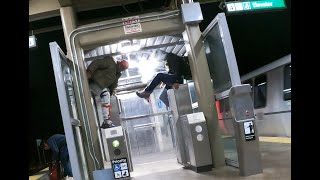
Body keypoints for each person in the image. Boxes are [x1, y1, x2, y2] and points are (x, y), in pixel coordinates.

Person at [86, 56, 129, 128]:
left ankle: (107, 121)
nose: (122, 69)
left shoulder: (117, 74)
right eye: (122, 67)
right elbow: (97, 63)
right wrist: (89, 72)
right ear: (120, 63)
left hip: (98, 87)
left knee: (106, 94)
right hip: (93, 81)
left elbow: (114, 85)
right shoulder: (111, 61)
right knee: (106, 94)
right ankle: (106, 120)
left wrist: (111, 93)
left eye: (123, 69)